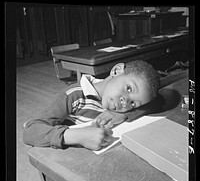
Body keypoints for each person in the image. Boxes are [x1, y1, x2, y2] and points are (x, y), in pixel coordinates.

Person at [23, 60, 162, 151]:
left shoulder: (121, 108)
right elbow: (30, 131)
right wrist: (77, 136)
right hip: (64, 162)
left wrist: (123, 114)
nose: (125, 102)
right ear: (116, 71)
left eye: (133, 103)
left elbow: (159, 100)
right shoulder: (74, 95)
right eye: (129, 89)